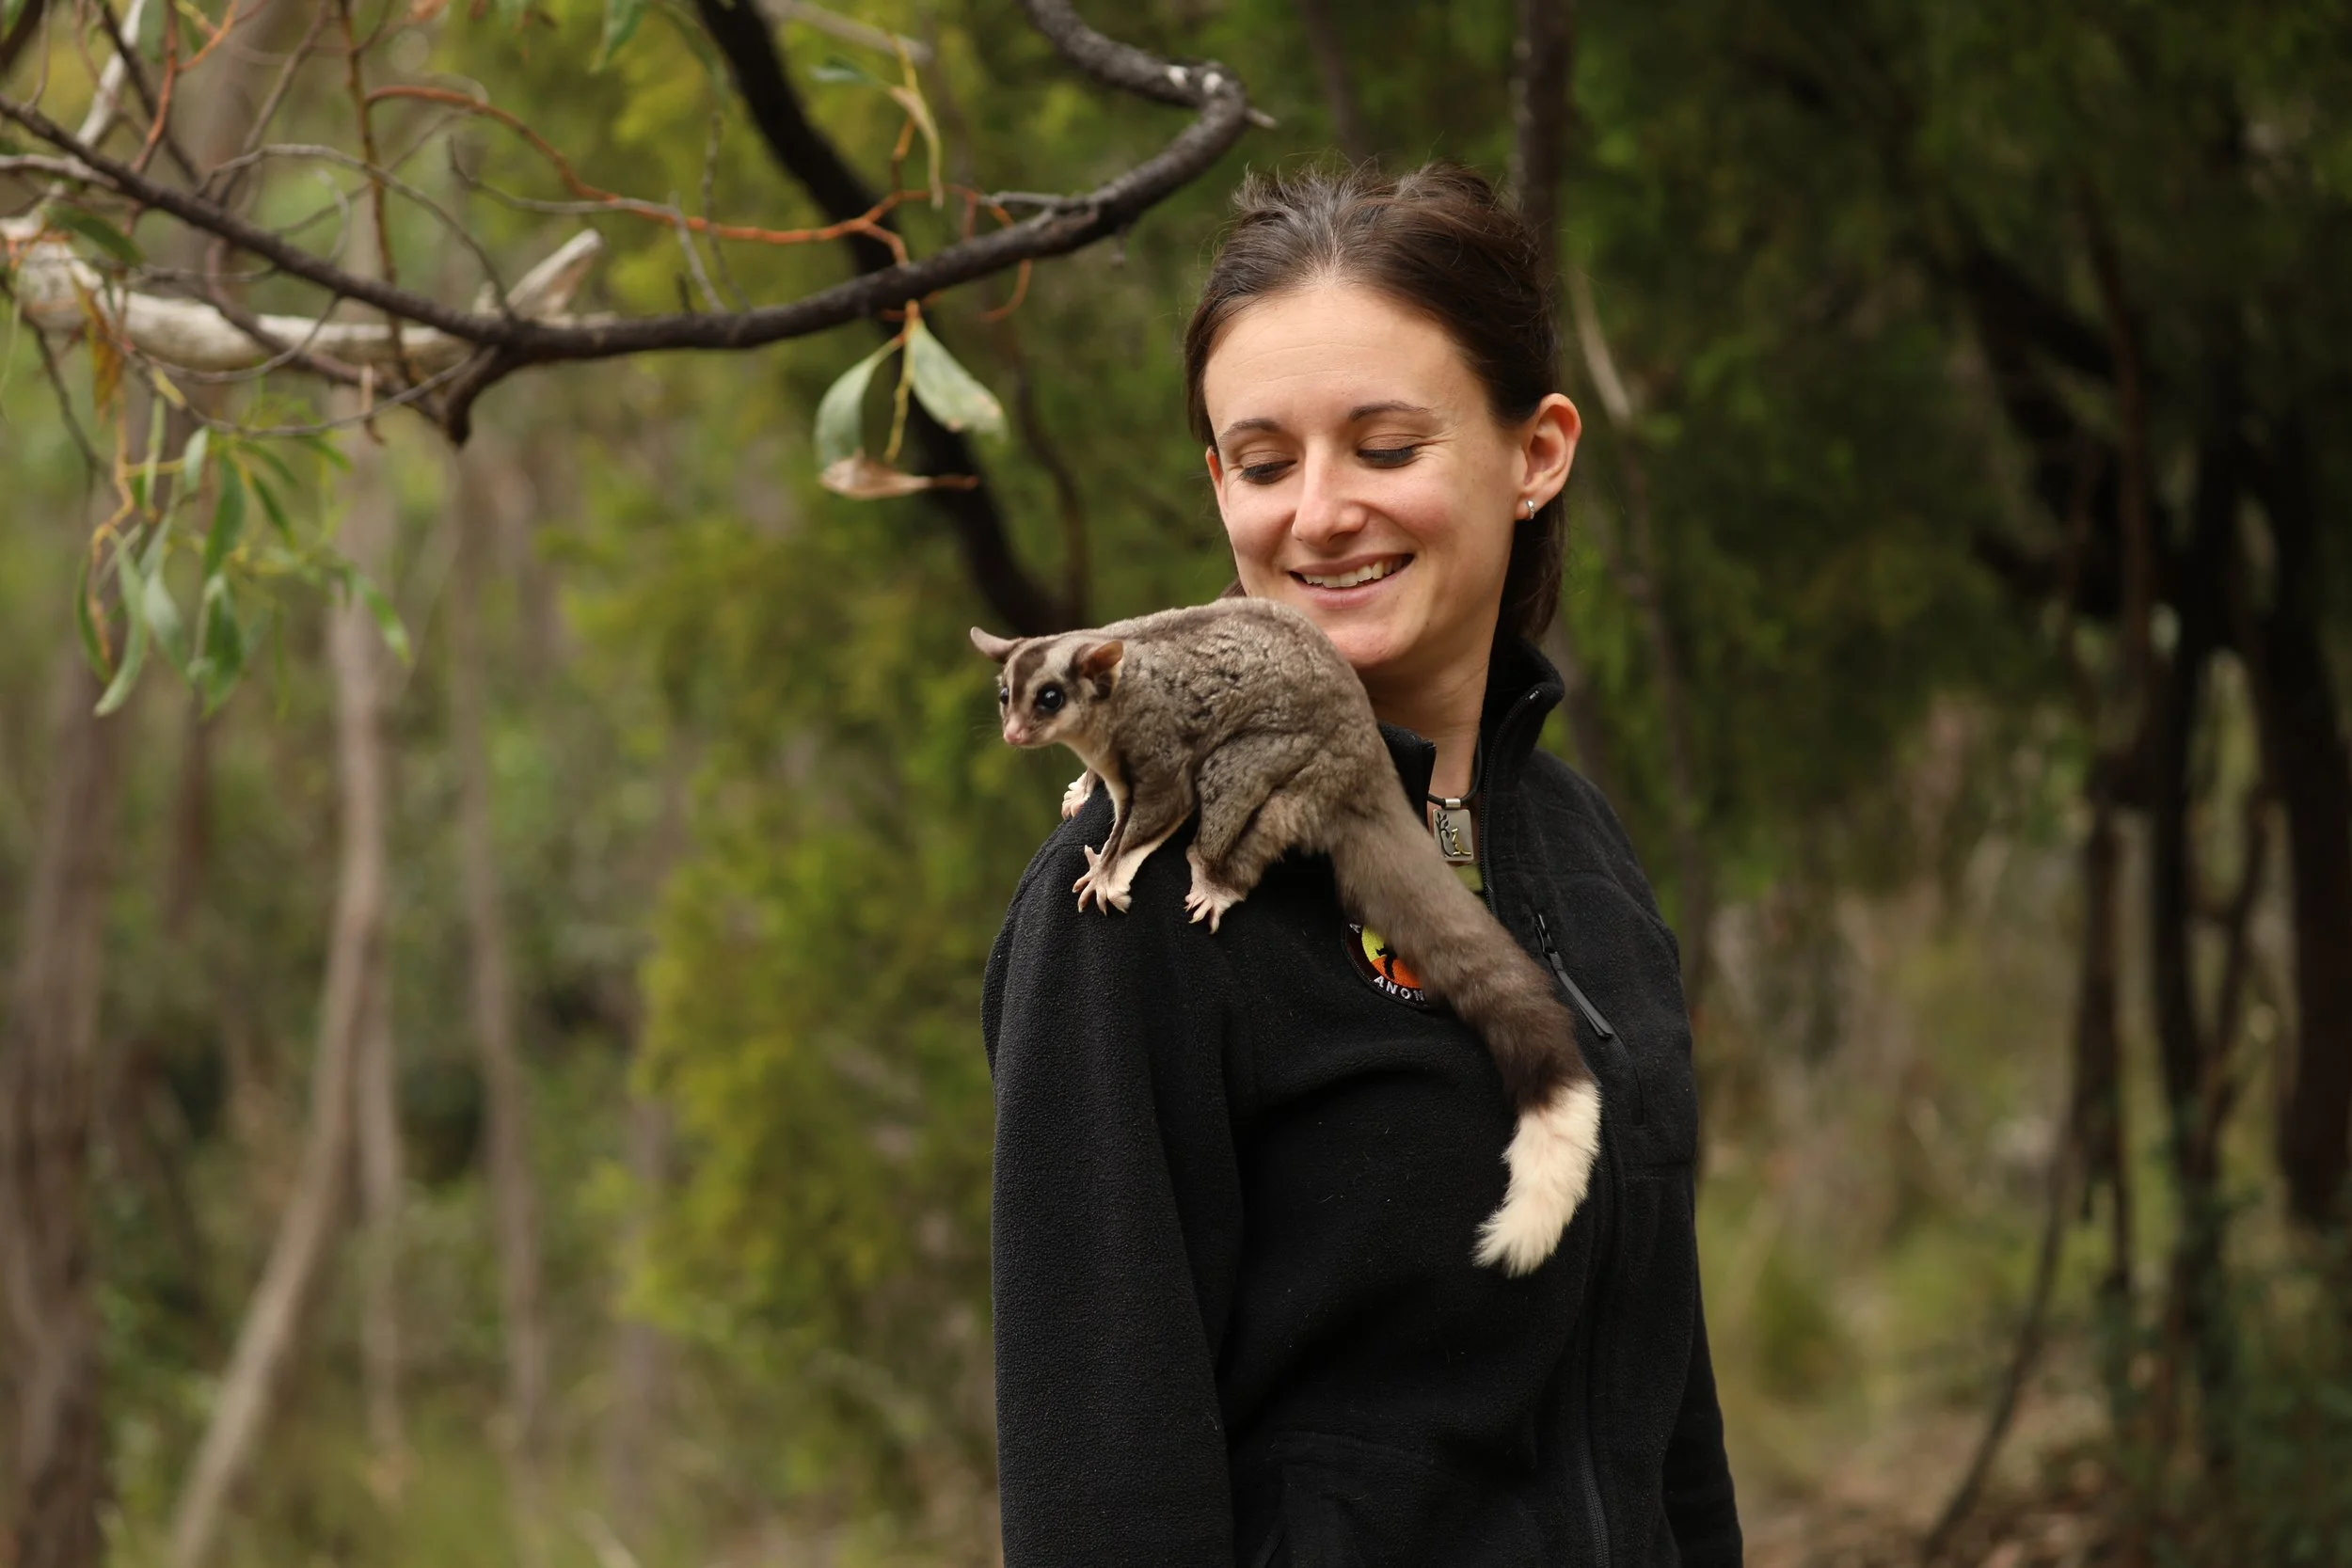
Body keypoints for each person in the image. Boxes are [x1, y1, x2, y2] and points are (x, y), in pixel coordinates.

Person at [981, 163, 1740, 1568]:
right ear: (1220, 487)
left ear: (1539, 450)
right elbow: (1102, 1483)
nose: (1319, 513)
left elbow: (1661, 1408)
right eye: (1264, 464)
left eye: (1385, 447)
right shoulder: (1129, 906)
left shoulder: (1578, 856)